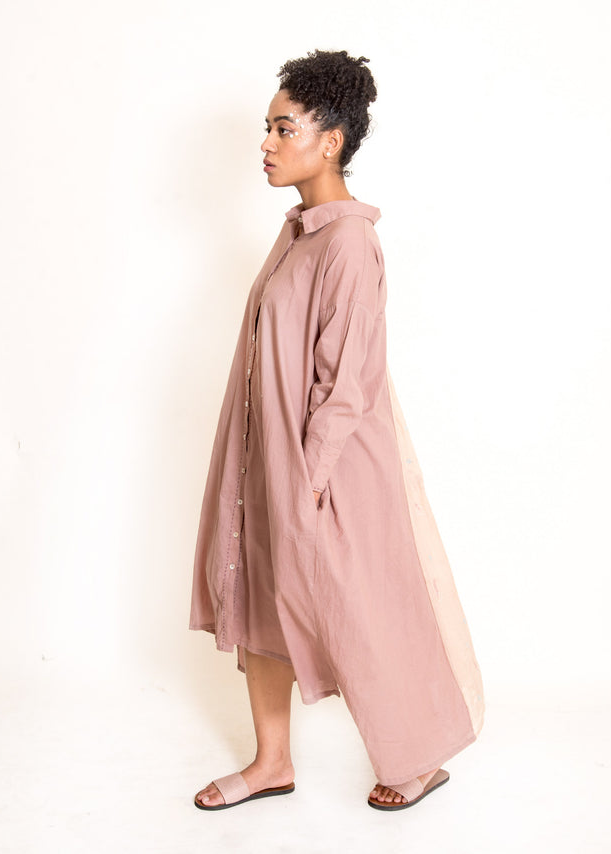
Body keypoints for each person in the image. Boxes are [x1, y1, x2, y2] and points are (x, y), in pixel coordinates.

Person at [189, 49, 484, 812]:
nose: (266, 144)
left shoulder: (349, 241)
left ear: (332, 141)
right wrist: (266, 470)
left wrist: (308, 484)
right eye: (266, 128)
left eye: (284, 129)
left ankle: (419, 758)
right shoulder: (299, 232)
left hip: (328, 472)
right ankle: (271, 763)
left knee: (359, 609)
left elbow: (346, 384)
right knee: (262, 595)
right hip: (270, 460)